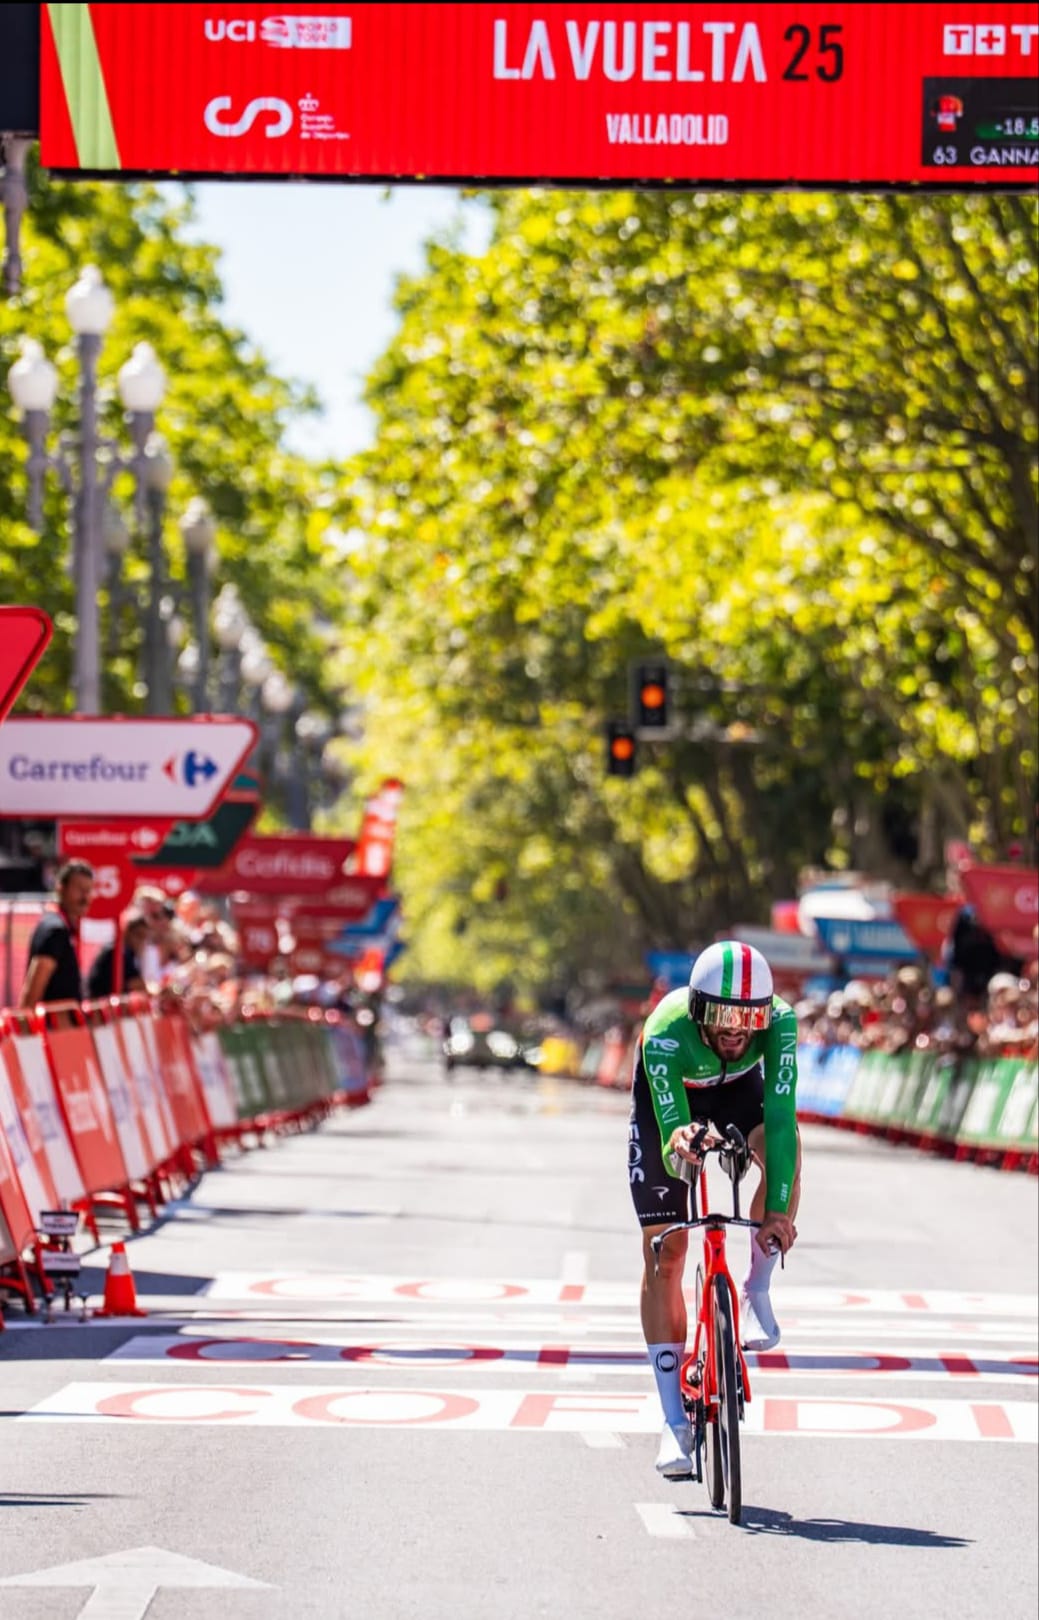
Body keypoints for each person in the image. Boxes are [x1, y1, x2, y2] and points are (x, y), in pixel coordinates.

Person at [628, 939, 801, 1479]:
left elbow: (778, 1116)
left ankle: (756, 1288)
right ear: (697, 1008)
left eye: (748, 1018)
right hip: (672, 1106)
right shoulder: (664, 1031)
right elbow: (670, 1132)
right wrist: (682, 1144)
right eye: (722, 1016)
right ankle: (673, 1418)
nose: (735, 1029)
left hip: (738, 1096)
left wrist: (776, 1211)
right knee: (667, 1252)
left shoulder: (781, 1024)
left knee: (786, 1148)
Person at [18, 859, 95, 1009]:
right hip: (53, 1028)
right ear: (60, 888)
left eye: (89, 890)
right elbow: (32, 991)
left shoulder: (62, 928)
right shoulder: (55, 930)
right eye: (79, 889)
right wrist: (24, 1028)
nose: (85, 897)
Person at [85, 911, 150, 999]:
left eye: (144, 938)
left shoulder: (129, 953)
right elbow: (136, 984)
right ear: (127, 931)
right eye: (138, 935)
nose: (141, 942)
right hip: (101, 1004)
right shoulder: (118, 952)